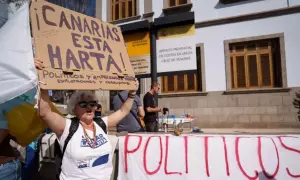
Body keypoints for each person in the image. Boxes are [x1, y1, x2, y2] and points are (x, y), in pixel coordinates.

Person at [34, 58, 139, 180]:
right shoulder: (67, 127)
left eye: (92, 103)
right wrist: (41, 78)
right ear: (74, 109)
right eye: (83, 104)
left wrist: (132, 93)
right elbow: (45, 113)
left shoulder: (101, 124)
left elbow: (123, 111)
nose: (89, 107)